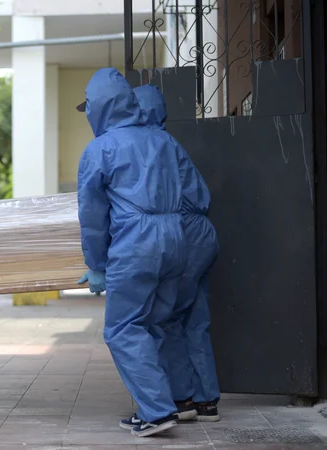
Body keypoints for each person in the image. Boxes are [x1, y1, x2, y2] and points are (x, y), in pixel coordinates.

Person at [75, 68, 187, 437]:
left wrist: (97, 265)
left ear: (99, 107)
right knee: (155, 323)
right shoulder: (163, 140)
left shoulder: (100, 149)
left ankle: (157, 411)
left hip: (136, 241)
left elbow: (93, 215)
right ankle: (165, 403)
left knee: (123, 328)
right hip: (175, 236)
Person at [134, 84, 221, 423]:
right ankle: (206, 399)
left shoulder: (149, 145)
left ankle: (182, 398)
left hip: (183, 236)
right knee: (195, 319)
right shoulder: (169, 142)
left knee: (166, 317)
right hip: (201, 235)